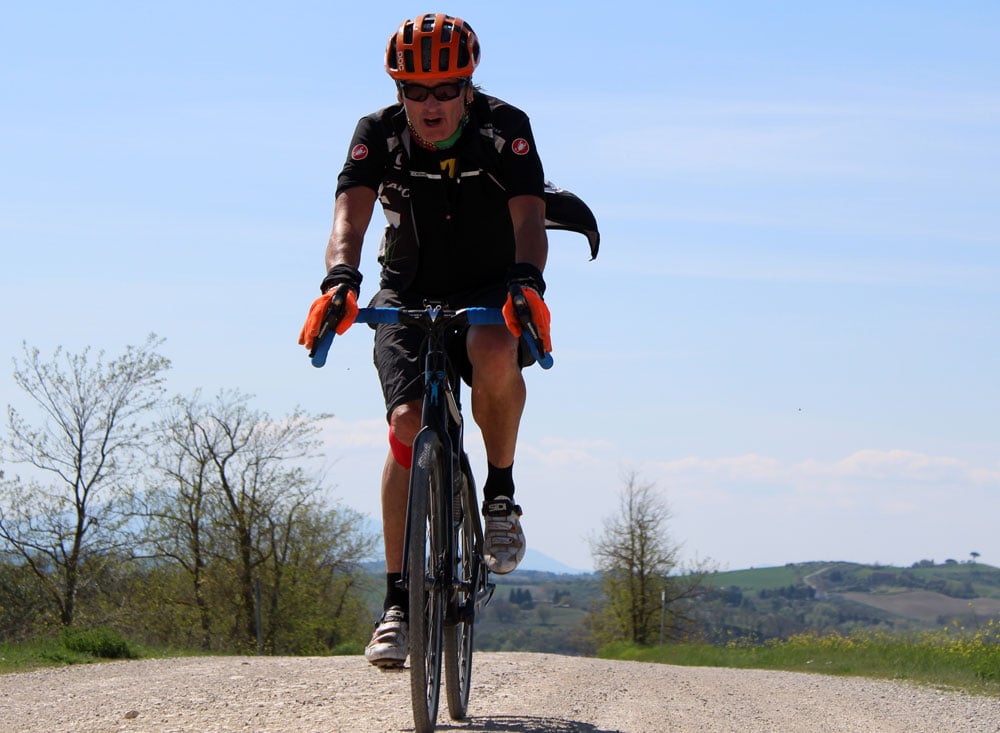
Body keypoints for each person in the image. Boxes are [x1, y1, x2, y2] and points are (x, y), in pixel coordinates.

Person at [298, 13, 551, 669]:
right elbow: (348, 214)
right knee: (409, 423)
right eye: (417, 90)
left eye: (445, 89)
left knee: (495, 351)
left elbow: (530, 215)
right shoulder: (377, 133)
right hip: (405, 290)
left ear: (468, 86)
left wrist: (527, 282)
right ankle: (398, 604)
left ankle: (499, 496)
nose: (430, 104)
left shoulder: (506, 128)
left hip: (490, 286)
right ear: (400, 89)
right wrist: (339, 279)